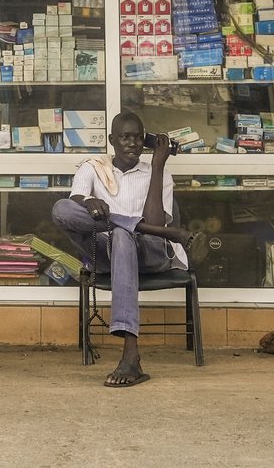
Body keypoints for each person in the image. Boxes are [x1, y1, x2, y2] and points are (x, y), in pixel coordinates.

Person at [51, 110, 192, 388]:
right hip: (106, 253)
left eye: (139, 138)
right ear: (111, 139)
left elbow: (155, 222)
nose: (133, 143)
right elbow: (72, 204)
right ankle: (131, 225)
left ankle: (130, 355)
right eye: (125, 137)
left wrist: (158, 165)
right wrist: (87, 202)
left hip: (152, 253)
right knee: (61, 208)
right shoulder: (93, 167)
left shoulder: (158, 173)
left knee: (122, 235)